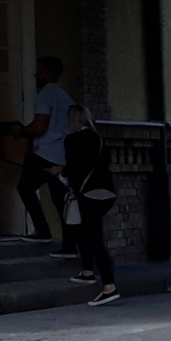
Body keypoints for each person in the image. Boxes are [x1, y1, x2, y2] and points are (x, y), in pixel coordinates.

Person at [7, 56, 77, 245]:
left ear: (49, 73)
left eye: (39, 72)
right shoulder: (65, 97)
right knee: (60, 199)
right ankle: (70, 243)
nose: (35, 75)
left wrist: (21, 131)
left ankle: (42, 230)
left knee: (25, 187)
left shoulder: (46, 95)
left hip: (45, 152)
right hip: (62, 153)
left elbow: (40, 126)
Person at [62, 107, 122, 304]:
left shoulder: (72, 140)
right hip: (107, 192)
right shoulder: (99, 139)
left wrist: (62, 171)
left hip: (88, 194)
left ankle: (109, 286)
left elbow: (75, 168)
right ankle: (87, 271)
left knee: (94, 239)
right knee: (84, 230)